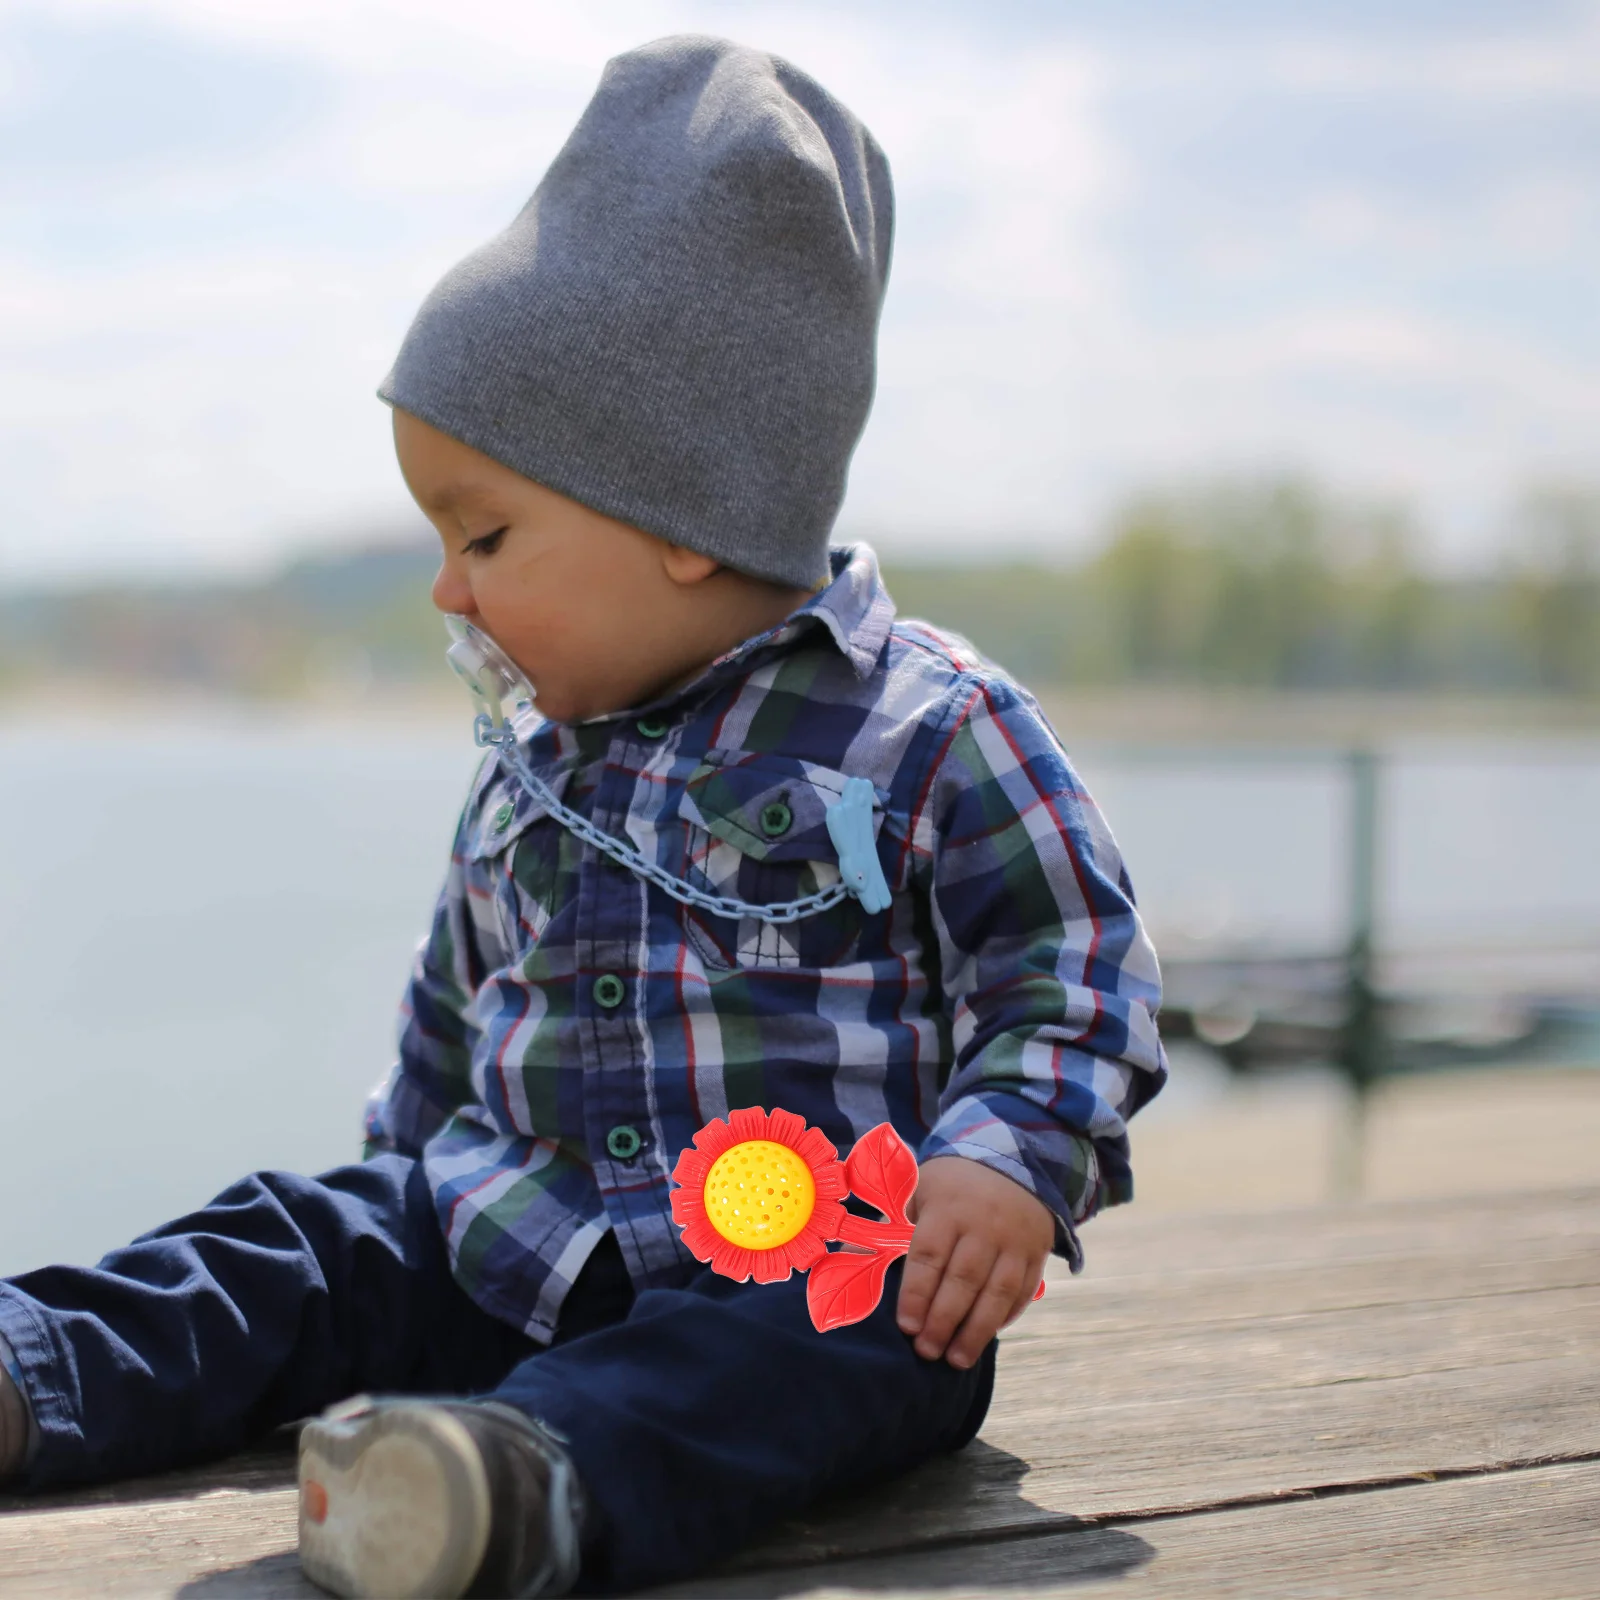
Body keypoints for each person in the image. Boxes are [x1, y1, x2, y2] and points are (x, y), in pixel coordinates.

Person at [0, 34, 1167, 1598]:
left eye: (482, 533)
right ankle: (34, 1371)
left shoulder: (929, 728)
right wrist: (384, 1209)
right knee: (299, 1243)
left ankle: (506, 1485)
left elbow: (1072, 970)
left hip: (813, 1270)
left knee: (814, 1349)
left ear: (684, 511)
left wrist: (1007, 1159)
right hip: (513, 1243)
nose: (445, 588)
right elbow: (451, 1008)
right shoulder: (534, 752)